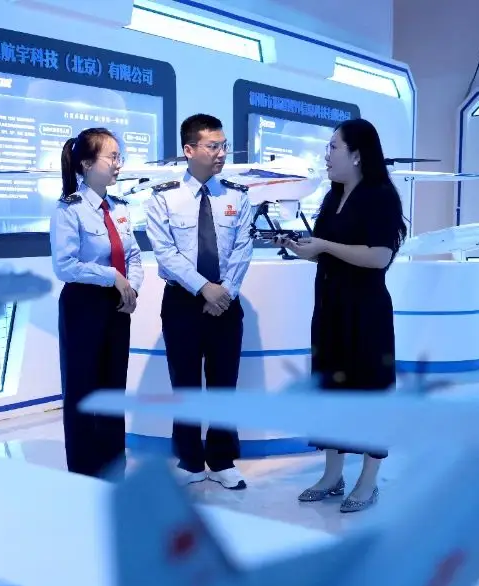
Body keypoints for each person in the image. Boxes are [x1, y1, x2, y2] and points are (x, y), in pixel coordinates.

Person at [273, 118, 408, 513]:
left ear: (357, 154)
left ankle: (368, 481)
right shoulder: (333, 197)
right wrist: (301, 248)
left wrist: (326, 246)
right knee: (330, 390)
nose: (326, 155)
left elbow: (379, 256)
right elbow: (326, 252)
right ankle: (332, 475)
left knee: (369, 392)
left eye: (333, 147)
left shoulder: (381, 196)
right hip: (330, 309)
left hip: (365, 313)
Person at [144, 113, 254, 490]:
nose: (221, 153)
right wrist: (204, 288)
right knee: (186, 385)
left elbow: (243, 248)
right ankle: (190, 461)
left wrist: (225, 291)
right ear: (189, 150)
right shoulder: (164, 197)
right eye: (212, 146)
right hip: (183, 302)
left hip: (226, 302)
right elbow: (165, 253)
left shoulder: (238, 196)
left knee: (224, 384)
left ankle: (222, 460)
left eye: (224, 146)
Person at [49, 127, 143, 480]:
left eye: (120, 157)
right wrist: (111, 277)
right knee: (83, 391)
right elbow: (65, 265)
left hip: (117, 306)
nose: (119, 164)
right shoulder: (69, 209)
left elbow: (133, 255)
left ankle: (113, 469)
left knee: (113, 389)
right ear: (87, 164)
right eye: (112, 157)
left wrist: (131, 289)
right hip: (83, 305)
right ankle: (84, 474)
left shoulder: (120, 208)